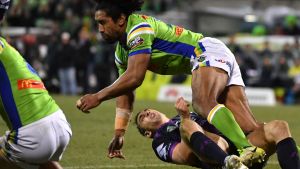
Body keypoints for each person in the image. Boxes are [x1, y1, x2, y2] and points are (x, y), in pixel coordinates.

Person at [76, 0, 264, 163]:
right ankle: (283, 149)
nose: (100, 29)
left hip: (203, 51)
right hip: (211, 55)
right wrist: (119, 132)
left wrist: (98, 97)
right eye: (97, 23)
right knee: (250, 128)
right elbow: (125, 90)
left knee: (203, 103)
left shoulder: (139, 29)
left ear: (120, 20)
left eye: (103, 22)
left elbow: (135, 77)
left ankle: (247, 150)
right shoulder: (121, 52)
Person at [0, 1, 72, 169]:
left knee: (29, 152)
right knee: (41, 160)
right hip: (60, 124)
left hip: (32, 136)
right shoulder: (9, 49)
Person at [135, 97, 300, 169]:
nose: (146, 113)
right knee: (188, 126)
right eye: (142, 118)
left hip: (243, 151)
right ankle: (229, 163)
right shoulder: (159, 141)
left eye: (146, 110)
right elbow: (183, 156)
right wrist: (184, 119)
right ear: (147, 133)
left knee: (278, 126)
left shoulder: (190, 114)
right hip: (216, 162)